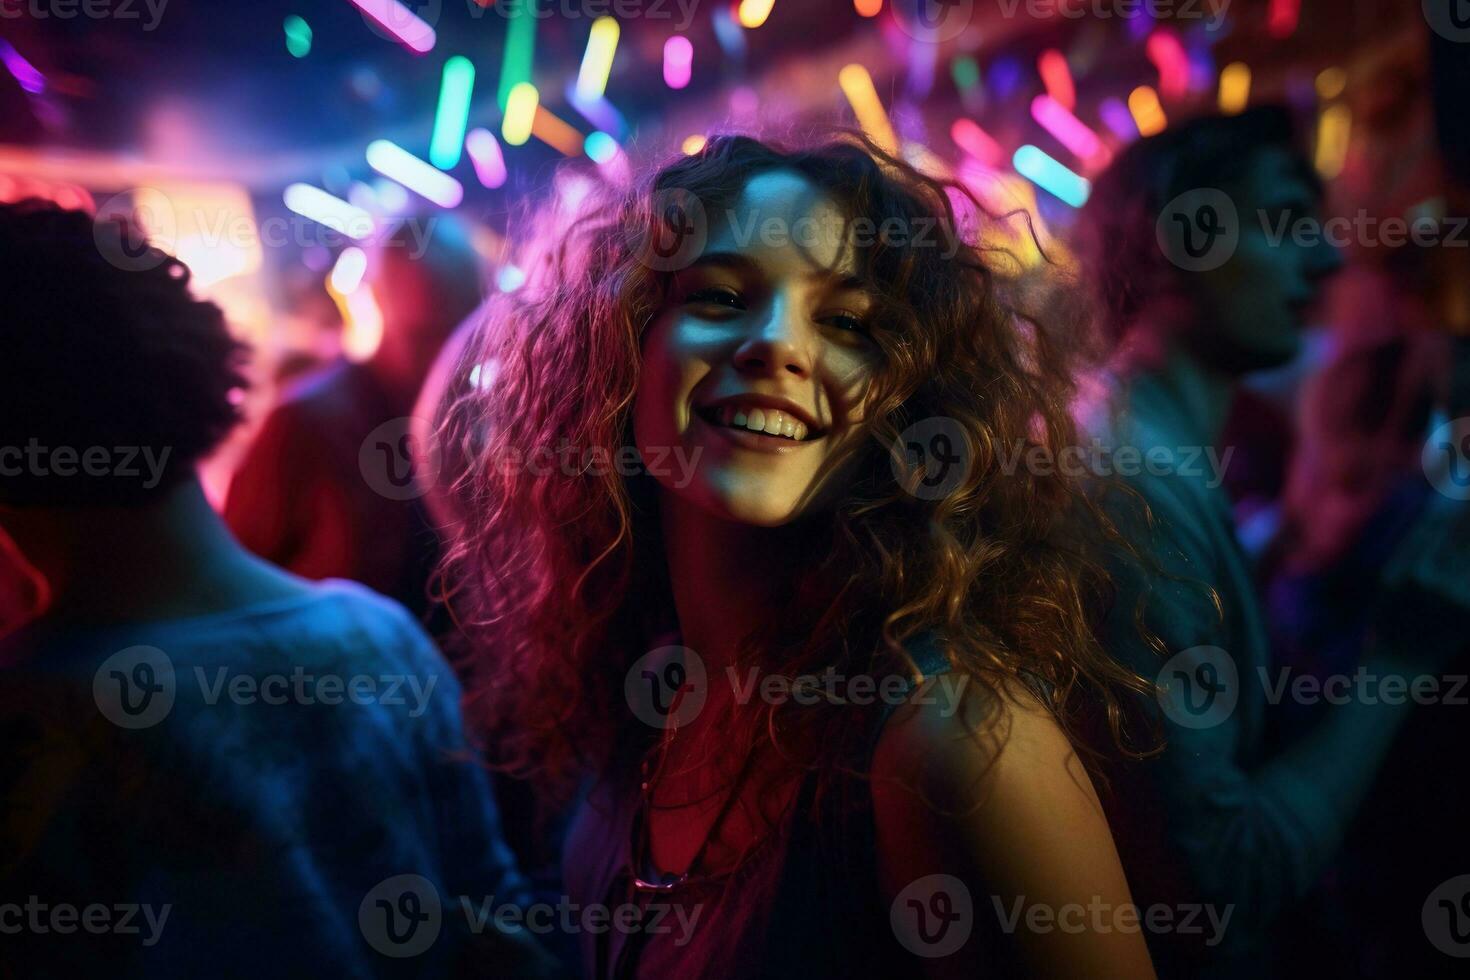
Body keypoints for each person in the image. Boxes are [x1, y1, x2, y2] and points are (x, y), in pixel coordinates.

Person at [435, 133, 1159, 978]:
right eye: (718, 297)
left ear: (907, 396)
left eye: (848, 321)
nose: (777, 344)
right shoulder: (647, 678)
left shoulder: (951, 741)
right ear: (625, 350)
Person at [0, 200, 557, 978]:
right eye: (429, 327)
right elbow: (503, 928)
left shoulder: (30, 723)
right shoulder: (379, 632)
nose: (454, 348)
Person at [1075, 107, 1467, 977]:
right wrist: (1405, 656)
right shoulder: (1131, 490)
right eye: (1288, 223)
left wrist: (1279, 543)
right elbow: (1217, 888)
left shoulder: (1141, 453)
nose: (1327, 261)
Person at [224, 216, 483, 617]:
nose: (445, 355)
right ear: (379, 302)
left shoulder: (474, 418)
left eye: (458, 330)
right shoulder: (303, 423)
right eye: (425, 334)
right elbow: (234, 587)